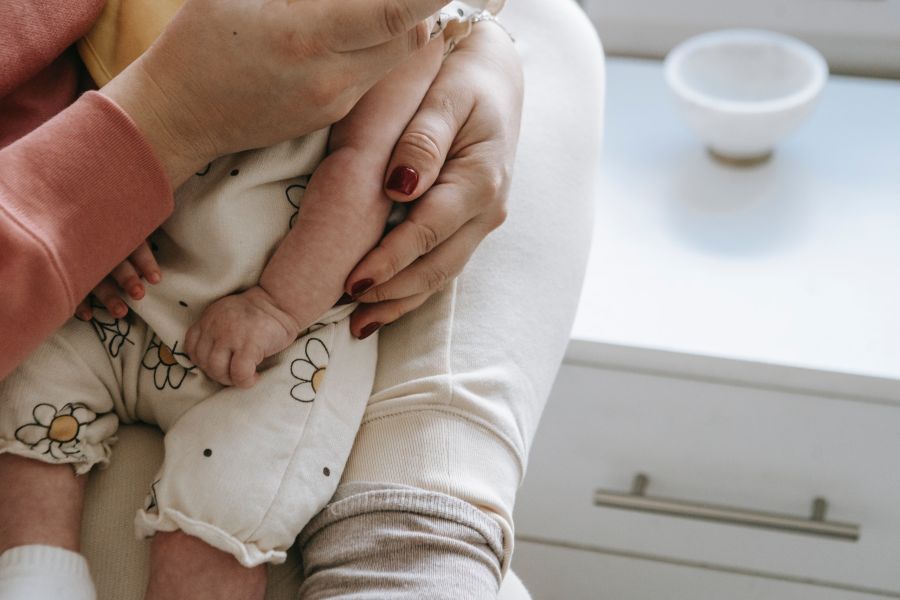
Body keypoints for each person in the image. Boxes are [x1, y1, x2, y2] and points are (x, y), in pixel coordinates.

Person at [1, 0, 604, 597]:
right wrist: (85, 202)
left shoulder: (394, 36)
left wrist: (275, 307)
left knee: (230, 497)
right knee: (39, 388)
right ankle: (35, 571)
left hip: (272, 340)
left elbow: (362, 172)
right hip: (118, 286)